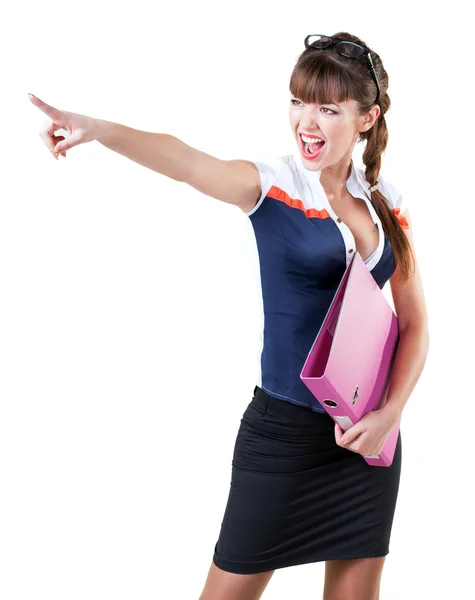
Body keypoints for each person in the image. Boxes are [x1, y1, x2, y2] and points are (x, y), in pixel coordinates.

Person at [29, 31, 429, 600]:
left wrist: (390, 415)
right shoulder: (272, 184)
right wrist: (101, 130)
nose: (306, 121)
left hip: (364, 439)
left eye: (328, 108)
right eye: (297, 101)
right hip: (283, 436)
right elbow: (188, 162)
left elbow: (416, 325)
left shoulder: (386, 200)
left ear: (367, 119)